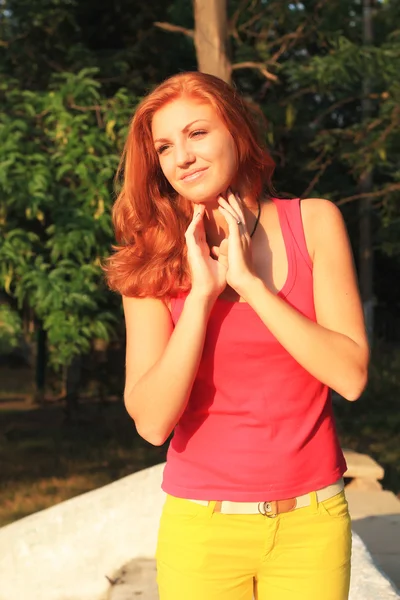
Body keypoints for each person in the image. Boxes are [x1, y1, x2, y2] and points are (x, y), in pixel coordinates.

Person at [105, 71, 369, 600]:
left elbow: (351, 376)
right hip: (201, 531)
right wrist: (201, 297)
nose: (182, 156)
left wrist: (251, 284)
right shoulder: (149, 257)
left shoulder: (314, 223)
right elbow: (153, 422)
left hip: (311, 524)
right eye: (165, 145)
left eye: (197, 133)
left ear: (238, 133)